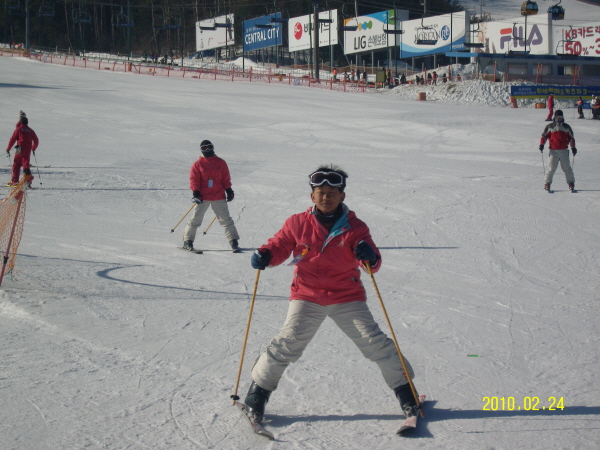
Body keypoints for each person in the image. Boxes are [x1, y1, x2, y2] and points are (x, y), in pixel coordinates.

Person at [241, 164, 418, 424]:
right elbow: (279, 245)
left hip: (346, 297)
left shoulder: (355, 227)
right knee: (287, 343)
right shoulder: (297, 223)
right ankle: (256, 397)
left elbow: (372, 261)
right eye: (320, 192)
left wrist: (368, 256)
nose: (326, 197)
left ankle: (408, 396)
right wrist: (266, 255)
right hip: (307, 296)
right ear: (312, 196)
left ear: (342, 196)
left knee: (375, 343)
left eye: (332, 192)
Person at [182, 140, 240, 252]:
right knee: (195, 219)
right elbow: (194, 180)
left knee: (226, 219)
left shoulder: (221, 163)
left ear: (213, 147)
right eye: (204, 148)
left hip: (218, 196)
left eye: (209, 147)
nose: (207, 150)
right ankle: (187, 241)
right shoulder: (197, 164)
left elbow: (225, 179)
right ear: (201, 150)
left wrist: (229, 190)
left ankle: (233, 241)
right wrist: (196, 192)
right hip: (203, 197)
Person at [539, 110, 577, 192]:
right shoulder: (550, 126)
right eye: (558, 117)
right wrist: (542, 144)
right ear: (555, 117)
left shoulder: (566, 127)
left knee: (567, 168)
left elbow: (571, 138)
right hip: (553, 151)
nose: (559, 119)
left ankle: (571, 183)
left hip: (564, 151)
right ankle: (547, 184)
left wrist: (573, 147)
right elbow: (544, 136)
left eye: (561, 117)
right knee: (551, 168)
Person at [6, 115, 38, 187]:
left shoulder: (18, 129)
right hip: (27, 150)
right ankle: (27, 182)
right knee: (26, 165)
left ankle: (14, 181)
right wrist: (33, 148)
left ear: (21, 122)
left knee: (16, 165)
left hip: (19, 149)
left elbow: (12, 139)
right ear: (27, 122)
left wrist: (8, 148)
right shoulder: (31, 130)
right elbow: (36, 140)